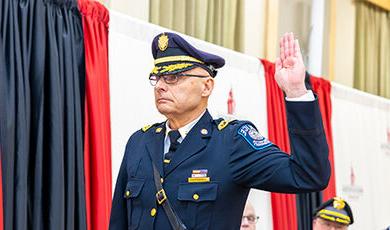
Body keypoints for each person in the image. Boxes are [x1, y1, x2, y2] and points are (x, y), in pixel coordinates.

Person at [109, 31, 330, 229]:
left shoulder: (231, 141)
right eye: (157, 78)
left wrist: (296, 92)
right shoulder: (140, 142)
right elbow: (119, 221)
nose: (160, 86)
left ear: (206, 86)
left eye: (173, 77)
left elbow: (308, 175)